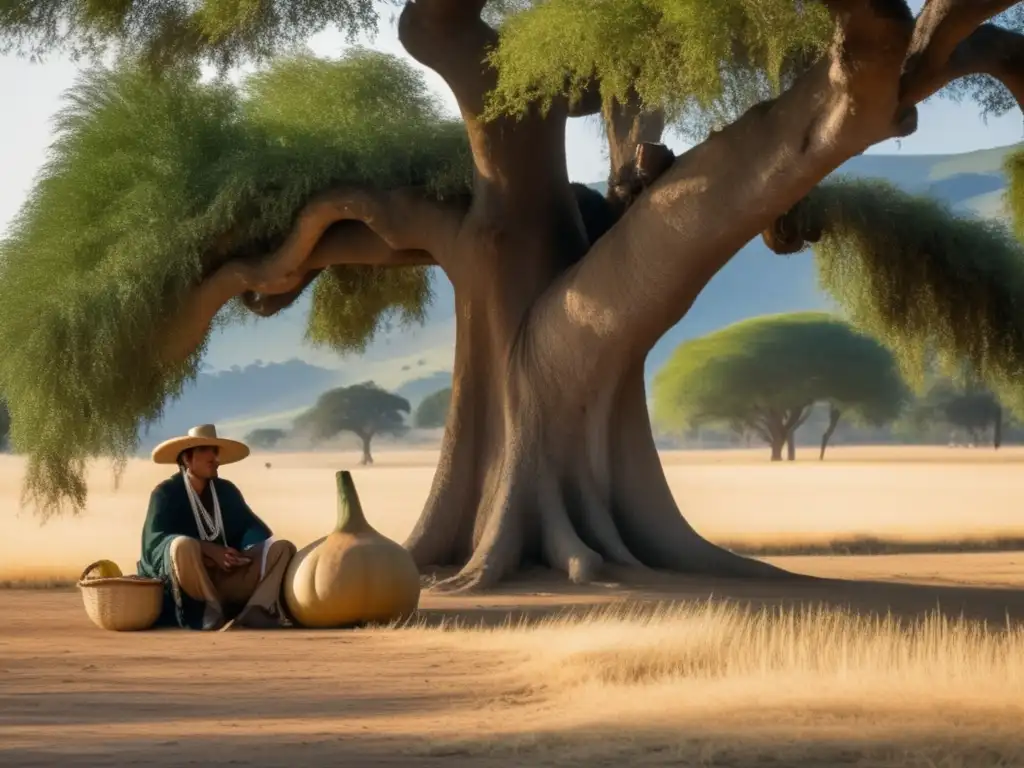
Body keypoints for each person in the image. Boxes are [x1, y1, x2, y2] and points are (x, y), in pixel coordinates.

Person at [137, 424, 297, 631]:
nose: (215, 459)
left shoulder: (225, 491)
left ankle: (256, 609)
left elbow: (251, 528)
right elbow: (155, 541)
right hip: (191, 584)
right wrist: (208, 550)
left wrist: (243, 553)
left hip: (227, 578)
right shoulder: (165, 493)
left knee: (282, 548)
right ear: (187, 459)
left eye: (215, 451)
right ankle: (209, 610)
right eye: (205, 451)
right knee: (181, 545)